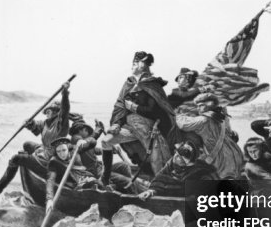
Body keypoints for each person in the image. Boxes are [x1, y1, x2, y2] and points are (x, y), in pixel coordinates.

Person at [101, 51, 175, 184]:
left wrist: (134, 108)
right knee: (106, 141)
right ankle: (104, 179)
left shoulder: (153, 84)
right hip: (130, 127)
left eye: (135, 63)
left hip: (150, 130)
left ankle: (163, 187)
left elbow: (156, 111)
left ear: (142, 65)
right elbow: (120, 105)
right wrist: (117, 123)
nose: (132, 66)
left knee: (157, 162)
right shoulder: (129, 83)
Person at [0, 82, 71, 195]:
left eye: (49, 111)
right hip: (44, 150)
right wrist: (28, 123)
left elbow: (65, 109)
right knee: (27, 144)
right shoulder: (46, 123)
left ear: (56, 112)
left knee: (16, 158)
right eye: (46, 112)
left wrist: (65, 93)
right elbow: (36, 126)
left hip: (51, 159)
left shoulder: (61, 124)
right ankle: (28, 161)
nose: (46, 114)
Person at [176, 93, 244, 179]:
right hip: (234, 152)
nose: (198, 108)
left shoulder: (204, 119)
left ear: (209, 105)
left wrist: (179, 115)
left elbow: (183, 125)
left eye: (201, 105)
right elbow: (229, 131)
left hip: (220, 157)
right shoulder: (222, 116)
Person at [138, 140, 219, 200]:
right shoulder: (171, 163)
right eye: (176, 154)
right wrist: (151, 192)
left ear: (189, 163)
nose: (176, 158)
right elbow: (160, 178)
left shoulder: (202, 172)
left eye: (180, 157)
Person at [69, 119, 134, 193]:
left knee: (124, 165)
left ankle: (126, 188)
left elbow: (96, 150)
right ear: (79, 130)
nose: (87, 132)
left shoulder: (86, 142)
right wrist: (98, 130)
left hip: (100, 168)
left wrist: (112, 151)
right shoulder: (76, 139)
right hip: (95, 173)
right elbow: (90, 140)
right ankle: (129, 189)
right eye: (85, 130)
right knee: (126, 180)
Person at [46, 137, 104, 213]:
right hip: (76, 184)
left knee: (99, 184)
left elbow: (92, 142)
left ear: (68, 148)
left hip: (88, 177)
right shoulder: (54, 161)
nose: (61, 154)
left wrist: (84, 141)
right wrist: (49, 199)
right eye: (58, 151)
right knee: (94, 187)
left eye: (64, 150)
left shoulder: (75, 150)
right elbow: (50, 180)